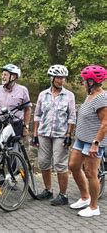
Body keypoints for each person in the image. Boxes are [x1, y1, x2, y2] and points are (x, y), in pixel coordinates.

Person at [32, 65, 76, 205]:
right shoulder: (43, 94)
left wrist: (69, 134)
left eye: (63, 78)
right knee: (44, 162)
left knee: (60, 164)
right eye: (58, 78)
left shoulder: (69, 95)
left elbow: (72, 117)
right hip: (44, 133)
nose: (61, 80)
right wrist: (35, 133)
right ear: (52, 78)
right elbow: (37, 115)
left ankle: (63, 195)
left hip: (60, 134)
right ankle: (48, 190)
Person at [68, 65, 107, 217]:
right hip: (81, 139)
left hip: (93, 142)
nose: (82, 82)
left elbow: (105, 123)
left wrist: (95, 144)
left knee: (91, 173)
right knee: (73, 166)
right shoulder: (90, 94)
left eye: (84, 80)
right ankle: (85, 197)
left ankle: (94, 206)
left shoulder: (102, 98)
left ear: (92, 81)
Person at [0, 64, 31, 137]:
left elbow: (28, 110)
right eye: (2, 75)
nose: (2, 77)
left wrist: (25, 126)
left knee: (14, 147)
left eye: (5, 75)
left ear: (13, 77)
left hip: (15, 125)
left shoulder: (23, 90)